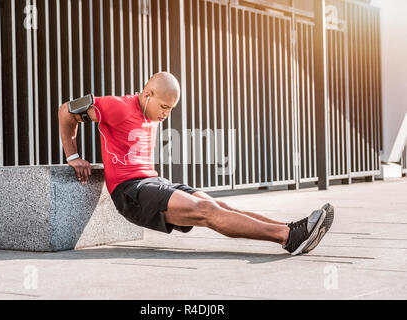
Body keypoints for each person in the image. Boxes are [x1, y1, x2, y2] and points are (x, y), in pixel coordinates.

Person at [58, 72, 334, 256]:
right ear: (148, 95)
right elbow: (66, 111)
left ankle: (293, 229)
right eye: (164, 107)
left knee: (218, 206)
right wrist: (73, 156)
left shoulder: (151, 114)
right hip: (130, 192)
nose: (166, 114)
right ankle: (288, 237)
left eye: (171, 109)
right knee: (204, 210)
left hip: (153, 181)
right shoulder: (117, 106)